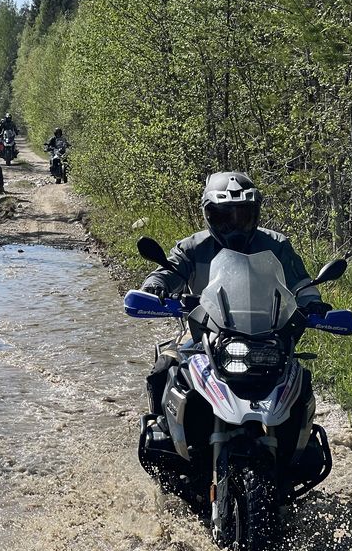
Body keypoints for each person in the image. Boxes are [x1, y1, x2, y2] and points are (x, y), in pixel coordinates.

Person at [141, 170, 331, 418]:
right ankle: (161, 429)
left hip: (267, 331)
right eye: (224, 217)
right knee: (164, 367)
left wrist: (313, 303)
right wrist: (155, 287)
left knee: (297, 379)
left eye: (242, 216)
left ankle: (300, 446)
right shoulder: (192, 247)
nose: (234, 225)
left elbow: (301, 284)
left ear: (255, 214)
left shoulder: (276, 244)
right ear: (209, 215)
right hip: (203, 327)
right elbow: (167, 271)